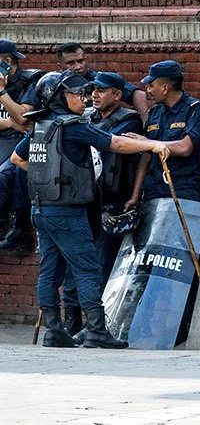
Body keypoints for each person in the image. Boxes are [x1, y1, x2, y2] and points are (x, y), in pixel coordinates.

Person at [10, 71, 169, 348]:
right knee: (87, 268)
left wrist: (50, 174)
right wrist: (152, 144)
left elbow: (17, 158)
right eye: (75, 94)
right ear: (59, 97)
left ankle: (54, 330)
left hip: (42, 209)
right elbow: (116, 143)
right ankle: (96, 329)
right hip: (68, 211)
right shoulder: (71, 126)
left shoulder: (39, 124)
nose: (83, 99)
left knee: (50, 270)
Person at [126, 61, 200, 210]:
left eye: (151, 86)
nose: (148, 90)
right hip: (154, 189)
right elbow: (145, 158)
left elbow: (185, 147)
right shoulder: (155, 112)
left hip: (184, 189)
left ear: (165, 88)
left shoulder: (196, 110)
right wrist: (135, 196)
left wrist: (148, 143)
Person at [86, 72, 144, 286]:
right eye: (93, 90)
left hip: (114, 200)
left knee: (104, 263)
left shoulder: (129, 120)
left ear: (117, 95)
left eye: (101, 91)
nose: (94, 95)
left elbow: (109, 140)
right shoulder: (87, 117)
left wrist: (80, 134)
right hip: (87, 198)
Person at [0, 39, 43, 252]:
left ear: (7, 62)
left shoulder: (30, 81)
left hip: (20, 141)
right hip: (5, 136)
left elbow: (23, 117)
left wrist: (1, 92)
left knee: (5, 173)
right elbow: (14, 120)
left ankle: (20, 229)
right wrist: (8, 122)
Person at [55, 43, 150, 120]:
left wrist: (145, 120)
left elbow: (137, 93)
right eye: (70, 63)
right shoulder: (52, 84)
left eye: (80, 61)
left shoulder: (99, 80)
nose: (78, 67)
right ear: (60, 67)